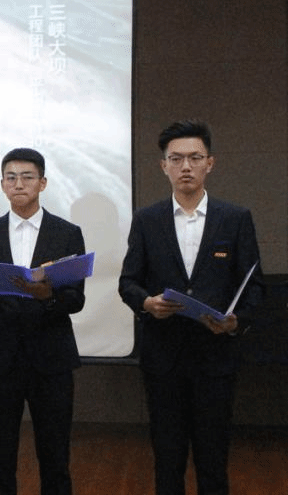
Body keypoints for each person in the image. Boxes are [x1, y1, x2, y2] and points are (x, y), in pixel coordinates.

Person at [118, 120, 262, 495]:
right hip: (163, 358)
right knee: (167, 459)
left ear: (210, 163)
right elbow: (128, 282)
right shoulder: (147, 220)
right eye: (176, 158)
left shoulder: (235, 218)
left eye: (195, 158)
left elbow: (254, 288)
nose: (186, 166)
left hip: (216, 358)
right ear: (163, 166)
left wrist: (235, 322)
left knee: (213, 460)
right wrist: (146, 303)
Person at [0, 148, 85, 495]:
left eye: (27, 177)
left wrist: (48, 296)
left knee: (55, 458)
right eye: (11, 178)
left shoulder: (67, 233)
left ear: (42, 183)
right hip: (1, 361)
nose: (19, 184)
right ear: (2, 185)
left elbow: (76, 298)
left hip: (52, 359)